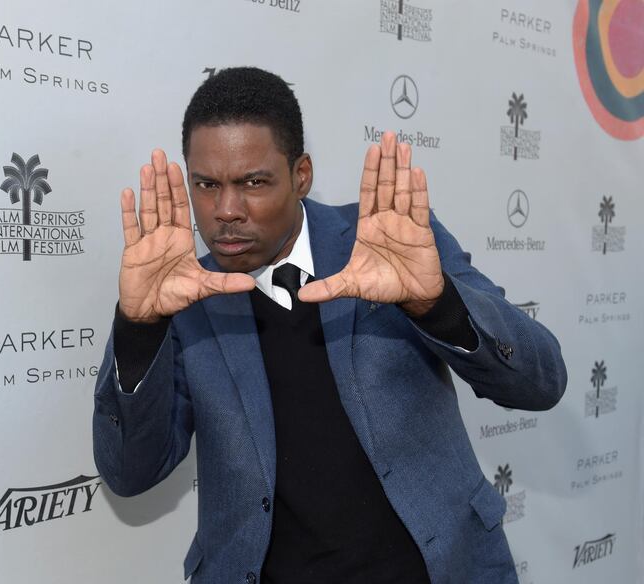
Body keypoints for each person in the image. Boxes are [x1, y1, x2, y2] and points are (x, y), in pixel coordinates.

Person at [93, 67, 566, 584]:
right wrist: (140, 329)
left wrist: (437, 306)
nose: (226, 211)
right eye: (206, 185)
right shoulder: (180, 293)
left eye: (253, 182)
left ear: (301, 176)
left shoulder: (389, 243)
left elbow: (541, 383)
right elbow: (130, 473)